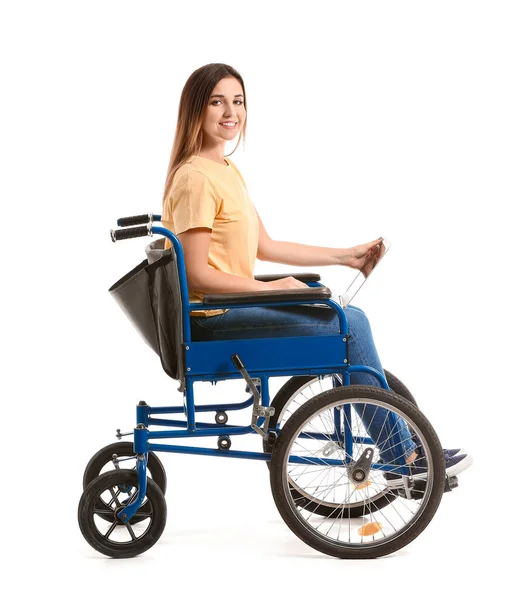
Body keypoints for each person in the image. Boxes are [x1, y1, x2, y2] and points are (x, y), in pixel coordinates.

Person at [161, 63, 472, 481]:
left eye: (238, 101)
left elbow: (265, 246)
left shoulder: (226, 172)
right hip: (214, 319)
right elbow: (196, 275)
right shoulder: (195, 178)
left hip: (231, 307)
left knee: (350, 319)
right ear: (196, 110)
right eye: (217, 101)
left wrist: (347, 256)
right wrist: (269, 291)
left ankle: (404, 449)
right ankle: (403, 459)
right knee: (349, 324)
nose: (230, 111)